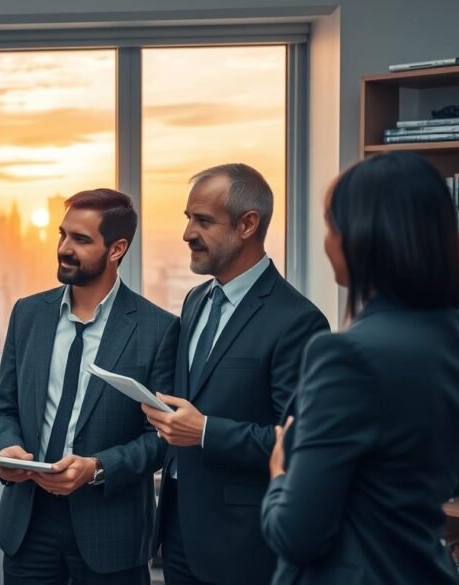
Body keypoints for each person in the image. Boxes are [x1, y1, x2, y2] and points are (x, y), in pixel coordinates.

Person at [261, 151, 459, 584]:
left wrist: (279, 476)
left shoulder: (343, 356)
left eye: (332, 226)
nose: (327, 241)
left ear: (365, 237)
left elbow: (295, 535)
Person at [143, 163, 329, 585]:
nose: (187, 233)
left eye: (203, 221)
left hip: (242, 546)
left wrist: (205, 431)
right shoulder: (195, 300)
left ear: (248, 225)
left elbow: (297, 441)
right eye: (188, 219)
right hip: (177, 533)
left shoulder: (298, 321)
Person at [0, 188, 178, 585]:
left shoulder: (158, 329)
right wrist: (6, 449)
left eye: (81, 239)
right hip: (27, 523)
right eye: (62, 235)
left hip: (111, 534)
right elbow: (3, 408)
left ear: (116, 248)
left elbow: (161, 439)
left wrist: (97, 469)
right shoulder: (28, 314)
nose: (64, 248)